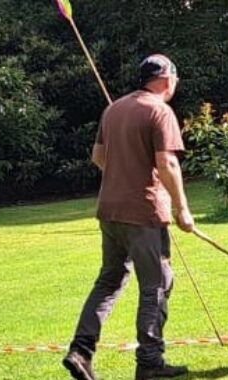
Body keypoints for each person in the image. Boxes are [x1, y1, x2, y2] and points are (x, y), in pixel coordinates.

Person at [63, 54, 194, 380]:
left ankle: (81, 351)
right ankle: (150, 362)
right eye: (175, 80)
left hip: (110, 211)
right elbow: (168, 164)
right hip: (143, 213)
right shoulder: (160, 111)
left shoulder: (113, 109)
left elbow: (98, 157)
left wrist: (124, 176)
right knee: (157, 285)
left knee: (109, 281)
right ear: (167, 80)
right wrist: (182, 208)